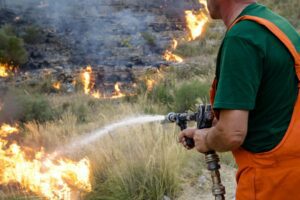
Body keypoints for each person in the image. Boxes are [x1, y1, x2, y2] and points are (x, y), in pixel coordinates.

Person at [179, 0, 300, 199]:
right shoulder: (277, 25)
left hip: (269, 183)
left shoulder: (241, 37)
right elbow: (274, 106)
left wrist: (206, 139)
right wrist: (211, 129)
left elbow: (232, 133)